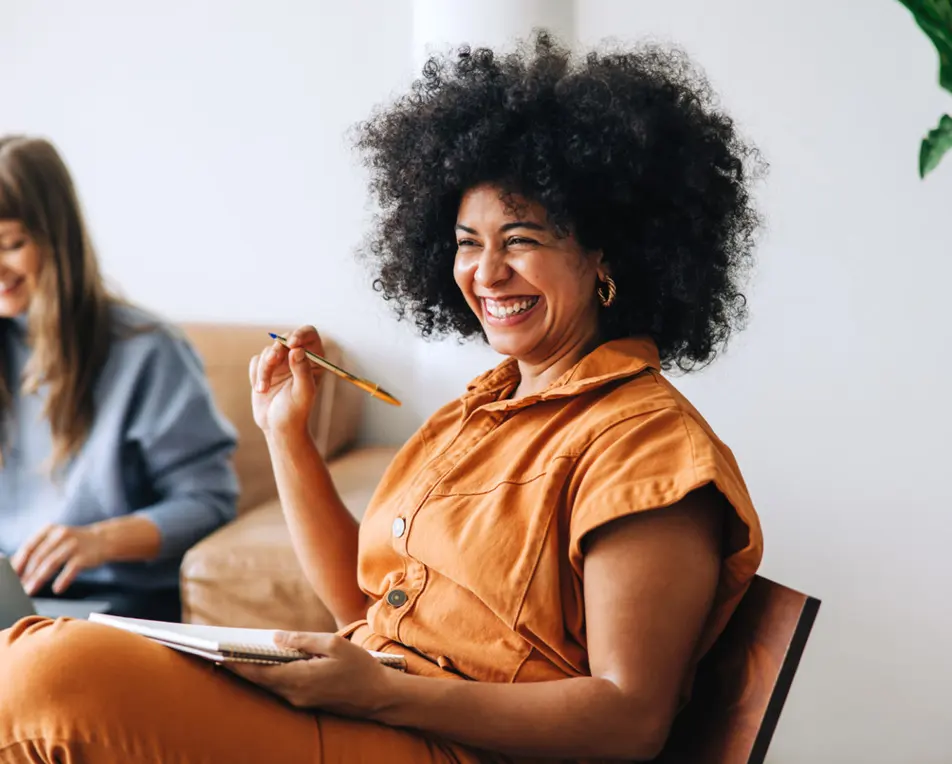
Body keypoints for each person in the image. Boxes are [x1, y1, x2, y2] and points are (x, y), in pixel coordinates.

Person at [0, 33, 765, 763]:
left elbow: (633, 718)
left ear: (607, 255)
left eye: (521, 239)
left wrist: (386, 695)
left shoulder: (645, 443)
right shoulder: (477, 413)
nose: (486, 273)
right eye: (467, 243)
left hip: (455, 747)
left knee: (50, 677)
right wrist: (286, 435)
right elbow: (359, 608)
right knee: (26, 651)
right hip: (376, 714)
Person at [0, 136, 239, 622]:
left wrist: (100, 540)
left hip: (108, 605)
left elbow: (208, 501)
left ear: (57, 240)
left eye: (11, 244)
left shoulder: (147, 350)